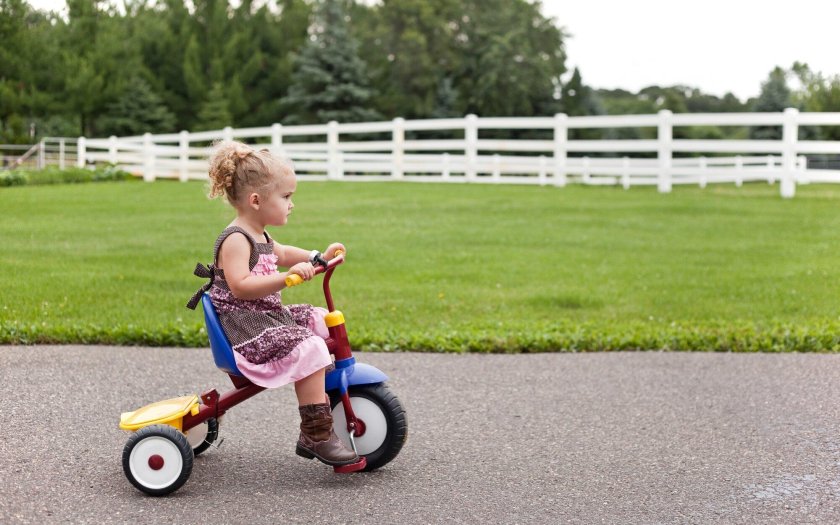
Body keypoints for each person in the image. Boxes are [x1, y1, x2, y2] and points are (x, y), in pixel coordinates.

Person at [186, 140, 358, 467]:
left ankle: (322, 397)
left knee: (320, 320)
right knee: (311, 347)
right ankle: (316, 432)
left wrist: (314, 256)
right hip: (246, 330)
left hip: (268, 318)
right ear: (256, 200)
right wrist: (286, 278)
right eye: (286, 196)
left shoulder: (260, 234)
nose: (292, 204)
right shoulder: (237, 238)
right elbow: (240, 287)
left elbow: (282, 253)